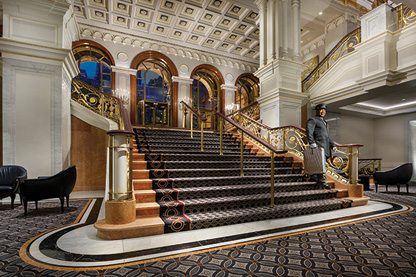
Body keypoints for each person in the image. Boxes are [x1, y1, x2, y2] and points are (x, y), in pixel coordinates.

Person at [306, 103, 337, 189]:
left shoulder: (324, 122)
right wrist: (312, 143)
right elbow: (309, 132)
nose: (322, 111)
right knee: (321, 164)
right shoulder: (312, 120)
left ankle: (314, 177)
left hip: (326, 147)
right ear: (317, 111)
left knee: (322, 163)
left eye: (324, 110)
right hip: (318, 146)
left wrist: (333, 145)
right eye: (320, 110)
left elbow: (327, 135)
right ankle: (322, 181)